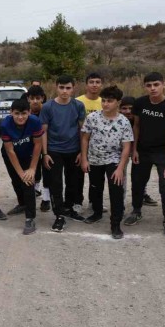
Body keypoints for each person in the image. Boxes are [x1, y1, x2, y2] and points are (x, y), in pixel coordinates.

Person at [124, 72, 165, 238]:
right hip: (143, 150)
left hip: (163, 151)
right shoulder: (140, 103)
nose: (153, 88)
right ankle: (136, 211)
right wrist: (134, 149)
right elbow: (136, 126)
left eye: (156, 84)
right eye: (149, 85)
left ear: (164, 85)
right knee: (137, 181)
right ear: (145, 87)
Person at [80, 86, 133, 239]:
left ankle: (115, 224)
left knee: (116, 191)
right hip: (94, 159)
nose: (105, 104)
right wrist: (84, 159)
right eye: (103, 101)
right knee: (95, 188)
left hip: (114, 160)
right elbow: (85, 139)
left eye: (109, 101)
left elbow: (126, 147)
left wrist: (120, 168)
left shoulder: (123, 122)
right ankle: (97, 213)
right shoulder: (92, 117)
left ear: (118, 102)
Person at [41, 74, 87, 232]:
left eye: (68, 88)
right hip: (54, 151)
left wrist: (82, 152)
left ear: (73, 88)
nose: (65, 91)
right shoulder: (47, 107)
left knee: (73, 182)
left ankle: (69, 208)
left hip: (74, 150)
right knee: (55, 184)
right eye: (62, 87)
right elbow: (43, 132)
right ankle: (59, 215)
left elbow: (82, 130)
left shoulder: (78, 105)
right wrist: (45, 154)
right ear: (56, 87)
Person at [0, 99, 44, 235]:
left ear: (29, 112)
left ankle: (30, 218)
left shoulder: (35, 122)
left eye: (24, 113)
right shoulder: (5, 125)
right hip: (11, 153)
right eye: (17, 113)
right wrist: (20, 172)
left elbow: (38, 144)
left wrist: (32, 169)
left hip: (28, 152)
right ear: (11, 112)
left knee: (28, 182)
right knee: (17, 180)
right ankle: (22, 204)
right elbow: (10, 151)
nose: (20, 117)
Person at [8, 85, 50, 214]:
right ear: (28, 99)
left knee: (47, 169)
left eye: (38, 98)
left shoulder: (47, 109)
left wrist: (45, 152)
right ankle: (30, 195)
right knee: (30, 172)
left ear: (43, 98)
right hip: (28, 145)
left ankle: (46, 198)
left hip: (46, 143)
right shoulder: (23, 111)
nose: (35, 101)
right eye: (32, 98)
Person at [120, 96, 158, 206]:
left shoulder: (142, 119)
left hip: (139, 148)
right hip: (122, 149)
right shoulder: (118, 120)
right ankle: (120, 200)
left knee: (141, 174)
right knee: (121, 173)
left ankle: (142, 194)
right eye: (124, 108)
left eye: (131, 108)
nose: (128, 111)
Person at [75, 72, 104, 212]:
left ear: (101, 84)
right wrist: (80, 150)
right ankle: (77, 202)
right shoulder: (77, 101)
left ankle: (94, 202)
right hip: (79, 144)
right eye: (91, 82)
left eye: (97, 82)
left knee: (96, 178)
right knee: (77, 175)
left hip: (97, 146)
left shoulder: (104, 102)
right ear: (86, 84)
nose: (94, 85)